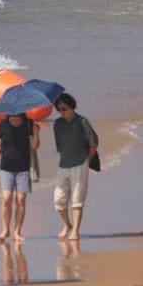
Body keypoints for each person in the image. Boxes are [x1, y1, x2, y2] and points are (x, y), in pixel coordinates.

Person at [52, 94, 97, 240]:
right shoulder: (57, 124)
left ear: (72, 107)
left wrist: (87, 160)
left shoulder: (82, 121)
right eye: (59, 109)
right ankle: (67, 224)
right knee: (59, 199)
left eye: (64, 108)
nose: (62, 112)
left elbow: (94, 142)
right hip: (63, 164)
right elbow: (59, 147)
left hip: (80, 163)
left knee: (77, 199)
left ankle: (75, 231)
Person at [0, 110, 38, 243]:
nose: (14, 119)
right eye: (12, 116)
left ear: (22, 114)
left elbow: (34, 146)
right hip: (6, 168)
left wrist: (36, 132)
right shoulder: (3, 124)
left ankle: (17, 232)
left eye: (17, 117)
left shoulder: (28, 124)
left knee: (21, 200)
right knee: (6, 199)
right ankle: (5, 229)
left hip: (23, 169)